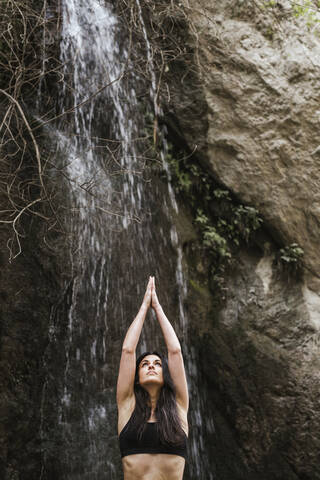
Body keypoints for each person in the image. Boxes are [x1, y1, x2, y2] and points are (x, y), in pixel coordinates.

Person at [117, 276, 189, 480]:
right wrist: (144, 307)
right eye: (145, 364)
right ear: (136, 378)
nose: (151, 366)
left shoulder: (179, 407)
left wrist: (156, 306)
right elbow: (127, 351)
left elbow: (175, 351)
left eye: (157, 364)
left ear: (165, 375)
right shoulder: (127, 406)